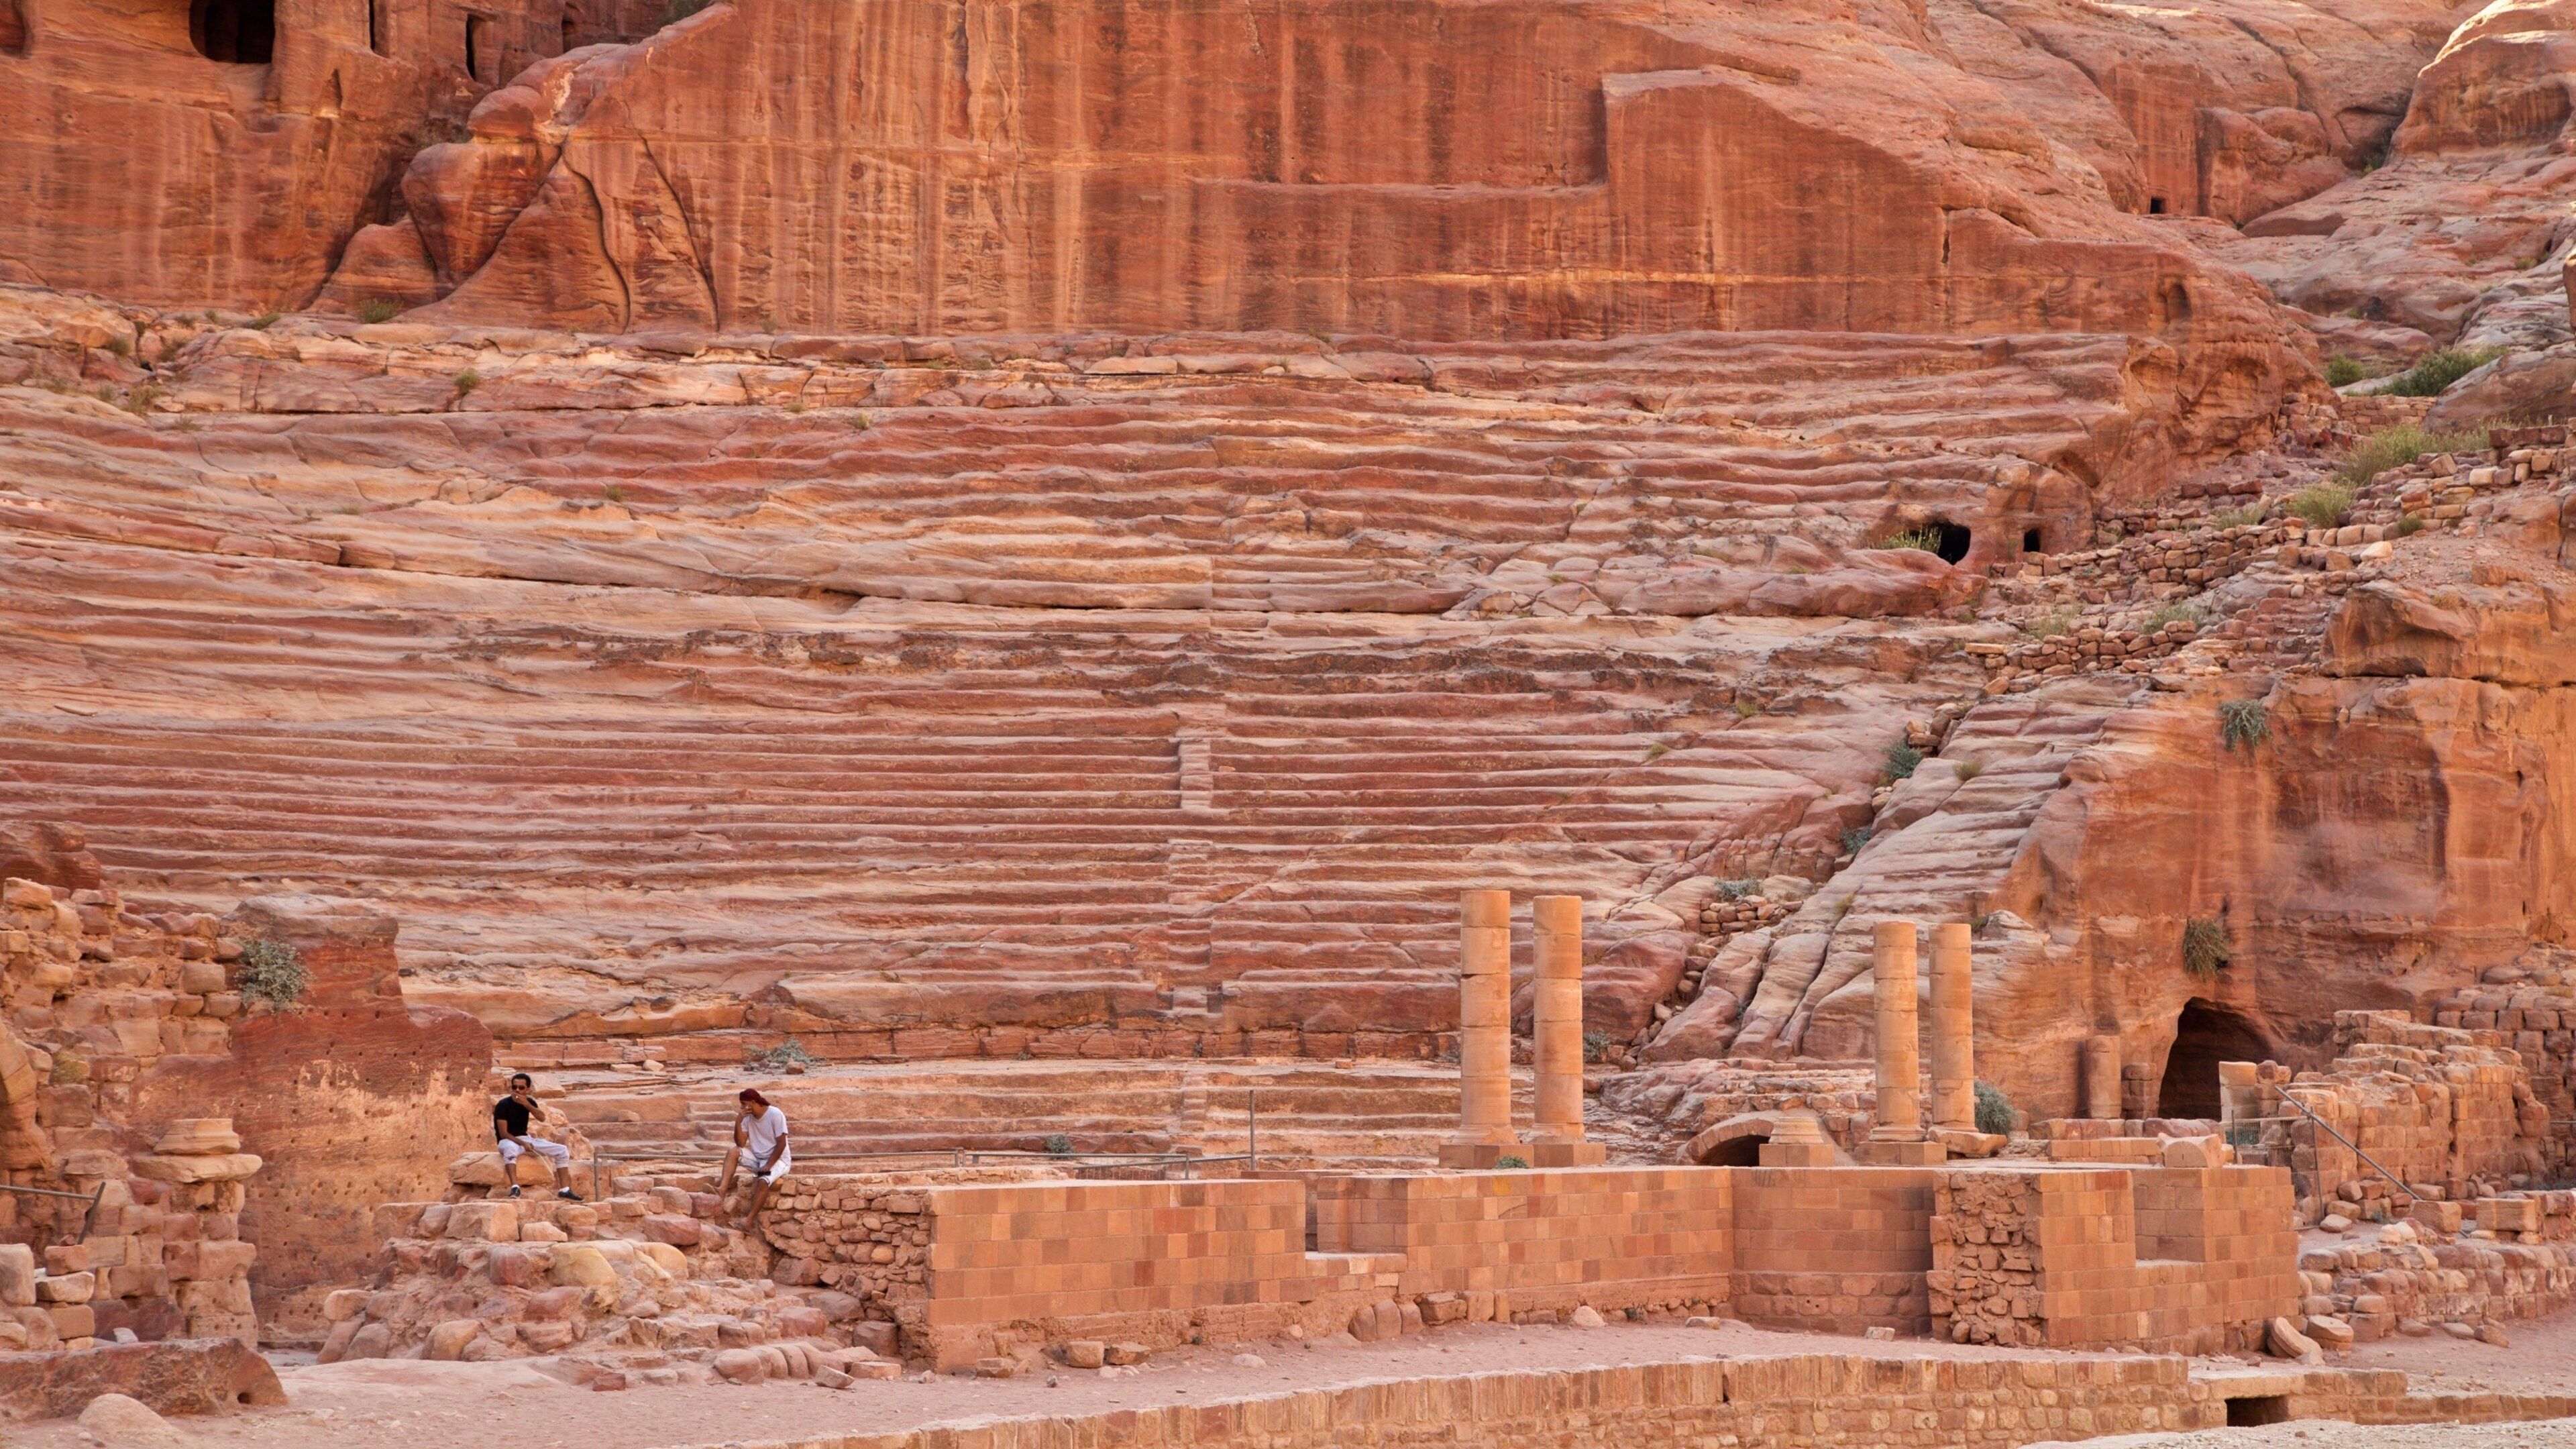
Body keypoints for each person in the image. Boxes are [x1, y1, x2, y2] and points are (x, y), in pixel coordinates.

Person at [493, 1072, 582, 1201]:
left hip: (525, 1139)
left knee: (562, 1151)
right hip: (508, 1140)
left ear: (527, 1089)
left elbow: (542, 1118)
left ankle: (565, 1190)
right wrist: (523, 1144)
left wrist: (527, 1104)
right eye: (514, 1087)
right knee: (511, 1149)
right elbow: (503, 1134)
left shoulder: (529, 1102)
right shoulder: (503, 1105)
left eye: (521, 1088)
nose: (517, 1090)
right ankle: (515, 1187)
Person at [717, 1087, 790, 1226]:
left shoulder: (775, 1114)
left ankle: (748, 1221)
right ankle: (722, 1190)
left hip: (779, 1160)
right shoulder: (747, 1118)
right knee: (733, 1151)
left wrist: (768, 1166)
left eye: (744, 1104)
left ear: (753, 1102)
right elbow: (741, 1143)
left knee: (763, 1182)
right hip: (758, 1159)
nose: (742, 1107)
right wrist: (738, 1121)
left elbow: (781, 1144)